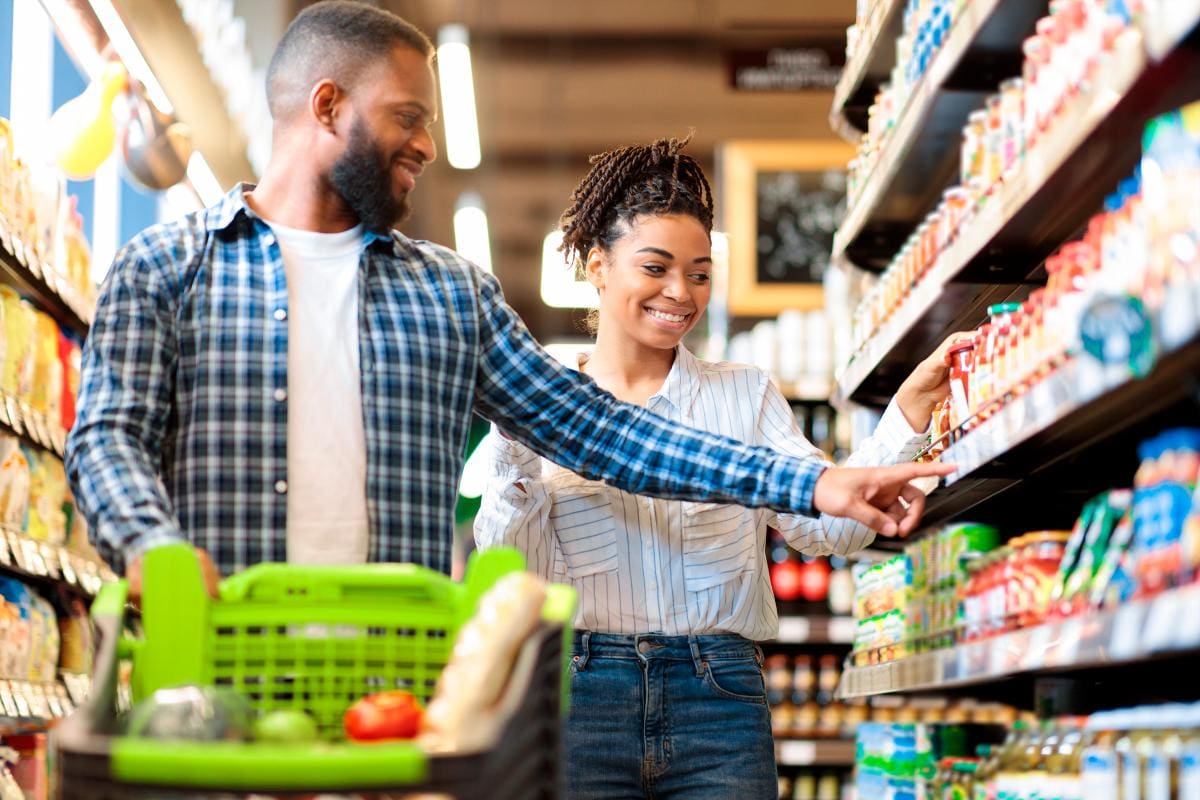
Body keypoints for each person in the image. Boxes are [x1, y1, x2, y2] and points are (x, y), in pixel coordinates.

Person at [64, 1, 951, 600]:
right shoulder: (165, 267)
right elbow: (106, 438)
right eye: (409, 115)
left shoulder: (452, 296)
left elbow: (605, 432)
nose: (428, 144)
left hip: (398, 686)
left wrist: (815, 480)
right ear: (328, 105)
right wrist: (150, 549)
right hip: (209, 666)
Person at [474, 136, 964, 800]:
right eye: (656, 267)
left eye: (699, 273)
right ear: (597, 264)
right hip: (582, 694)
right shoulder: (548, 405)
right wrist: (516, 434)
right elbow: (515, 569)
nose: (680, 293)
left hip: (720, 697)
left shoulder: (744, 394)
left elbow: (827, 532)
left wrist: (905, 418)